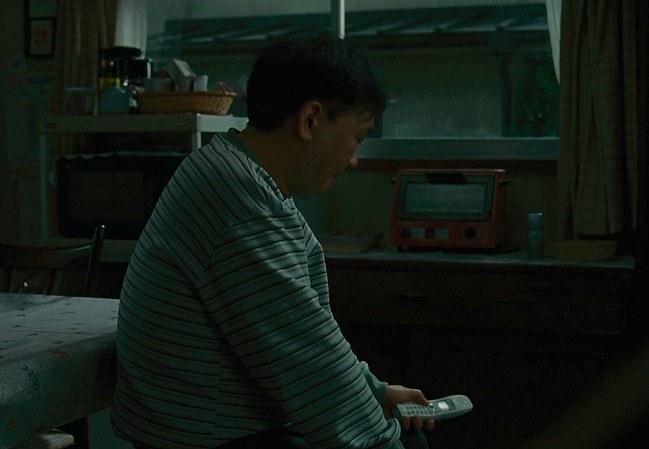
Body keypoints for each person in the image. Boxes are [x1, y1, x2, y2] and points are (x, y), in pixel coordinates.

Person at [110, 31, 435, 449]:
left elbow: (307, 337)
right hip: (209, 439)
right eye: (358, 136)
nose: (354, 159)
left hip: (214, 427)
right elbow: (307, 364)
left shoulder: (234, 171)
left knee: (407, 436)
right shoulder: (242, 202)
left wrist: (375, 392)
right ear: (310, 120)